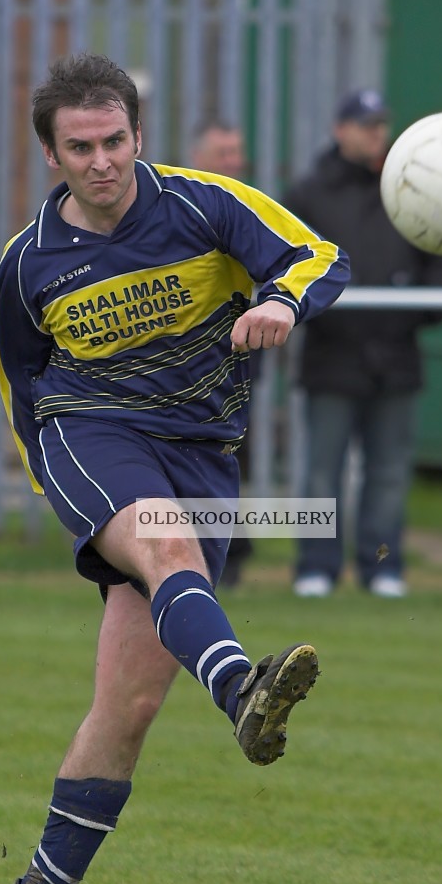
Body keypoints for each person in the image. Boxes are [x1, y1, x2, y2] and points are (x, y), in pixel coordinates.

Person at [0, 53, 349, 884]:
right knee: (163, 542)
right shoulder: (26, 265)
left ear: (137, 137)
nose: (101, 160)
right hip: (91, 435)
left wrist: (278, 299)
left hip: (199, 449)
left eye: (115, 141)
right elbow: (19, 383)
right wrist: (64, 490)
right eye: (81, 147)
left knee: (131, 704)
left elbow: (320, 255)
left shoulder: (202, 205)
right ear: (51, 155)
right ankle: (240, 691)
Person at [285, 88, 442, 599]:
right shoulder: (308, 193)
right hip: (332, 357)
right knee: (322, 471)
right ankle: (316, 566)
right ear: (340, 130)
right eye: (365, 125)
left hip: (397, 356)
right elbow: (289, 262)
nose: (376, 134)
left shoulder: (414, 189)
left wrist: (430, 302)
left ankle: (383, 567)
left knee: (388, 472)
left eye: (381, 124)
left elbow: (440, 253)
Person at [189, 120, 254, 588]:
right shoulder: (181, 208)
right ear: (198, 155)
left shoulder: (248, 206)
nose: (233, 160)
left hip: (235, 363)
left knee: (230, 457)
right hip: (175, 370)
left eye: (237, 151)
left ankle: (229, 555)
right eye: (222, 151)